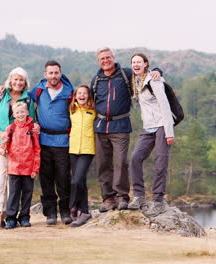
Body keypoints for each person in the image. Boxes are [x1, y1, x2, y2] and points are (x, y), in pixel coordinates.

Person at [91, 48, 162, 212]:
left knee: (121, 162)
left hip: (120, 125)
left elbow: (144, 73)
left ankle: (122, 196)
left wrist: (157, 71)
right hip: (101, 127)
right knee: (103, 164)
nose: (106, 60)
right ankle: (108, 198)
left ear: (113, 58)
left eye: (108, 57)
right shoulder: (96, 79)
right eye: (102, 58)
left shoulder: (126, 74)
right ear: (98, 61)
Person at [0, 67, 36, 230]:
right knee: (0, 181)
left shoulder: (28, 99)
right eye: (15, 79)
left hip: (21, 147)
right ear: (10, 80)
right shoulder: (0, 95)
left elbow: (31, 121)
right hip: (0, 143)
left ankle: (12, 217)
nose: (18, 82)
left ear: (25, 82)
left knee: (15, 183)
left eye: (21, 79)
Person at [128, 53, 174, 216]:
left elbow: (165, 106)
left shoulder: (154, 80)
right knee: (135, 157)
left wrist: (169, 132)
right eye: (133, 62)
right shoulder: (135, 81)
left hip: (162, 125)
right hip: (148, 127)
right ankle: (139, 195)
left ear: (146, 64)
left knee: (160, 162)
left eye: (139, 62)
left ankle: (158, 199)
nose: (135, 64)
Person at [28, 61, 75, 225]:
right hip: (43, 141)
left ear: (60, 73)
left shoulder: (70, 92)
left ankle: (65, 211)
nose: (53, 76)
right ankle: (50, 213)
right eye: (50, 73)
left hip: (63, 141)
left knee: (63, 178)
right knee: (46, 178)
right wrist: (4, 90)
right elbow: (20, 97)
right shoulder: (39, 90)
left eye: (56, 73)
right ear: (45, 74)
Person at [0, 102, 40, 229]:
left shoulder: (32, 129)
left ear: (27, 112)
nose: (20, 114)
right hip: (14, 168)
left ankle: (25, 218)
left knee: (27, 193)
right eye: (17, 112)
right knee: (14, 194)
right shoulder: (11, 128)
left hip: (28, 168)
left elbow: (37, 150)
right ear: (14, 114)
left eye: (22, 112)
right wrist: (2, 149)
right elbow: (4, 145)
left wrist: (35, 168)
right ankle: (11, 218)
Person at [68, 85, 96, 227]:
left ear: (89, 96)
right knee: (80, 181)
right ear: (75, 95)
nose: (82, 95)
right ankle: (84, 211)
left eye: (85, 93)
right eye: (79, 93)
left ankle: (73, 206)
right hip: (73, 149)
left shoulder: (93, 110)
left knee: (76, 180)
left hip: (87, 149)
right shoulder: (72, 110)